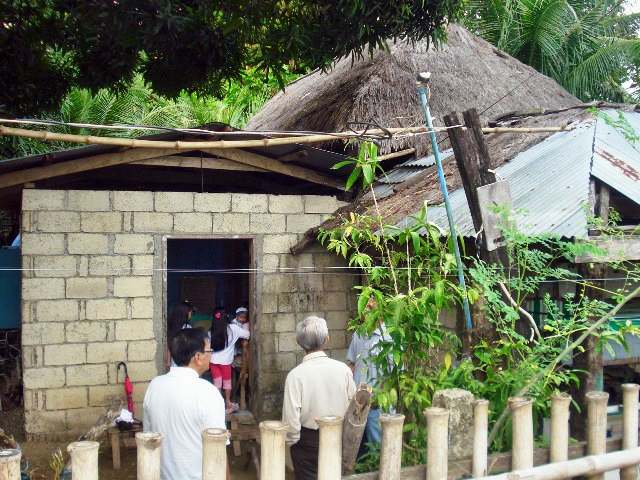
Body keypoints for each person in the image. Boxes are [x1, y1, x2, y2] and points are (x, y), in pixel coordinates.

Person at [143, 329, 228, 480]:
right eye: (209, 351)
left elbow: (148, 437)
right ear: (198, 357)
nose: (211, 355)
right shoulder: (208, 392)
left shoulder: (155, 386)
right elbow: (218, 449)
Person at [282, 316, 356, 480]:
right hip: (337, 437)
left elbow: (291, 420)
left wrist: (294, 442)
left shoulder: (295, 376)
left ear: (299, 342)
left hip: (307, 442)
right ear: (327, 339)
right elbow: (353, 407)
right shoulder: (343, 370)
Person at [346, 297, 390, 449]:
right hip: (357, 406)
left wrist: (380, 398)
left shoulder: (389, 338)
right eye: (364, 308)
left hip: (378, 407)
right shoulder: (358, 334)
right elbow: (351, 364)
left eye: (371, 308)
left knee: (378, 450)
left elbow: (396, 377)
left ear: (381, 311)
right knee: (357, 450)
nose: (366, 312)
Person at [210, 307, 250, 413]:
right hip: (225, 362)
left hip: (213, 361)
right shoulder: (233, 328)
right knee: (227, 383)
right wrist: (246, 325)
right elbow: (247, 335)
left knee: (217, 384)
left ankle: (217, 404)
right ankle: (228, 402)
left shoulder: (211, 330)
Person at [166, 301, 195, 368]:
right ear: (185, 313)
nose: (191, 314)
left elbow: (169, 346)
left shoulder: (171, 328)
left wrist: (168, 361)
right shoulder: (187, 328)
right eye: (190, 312)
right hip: (186, 363)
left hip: (174, 363)